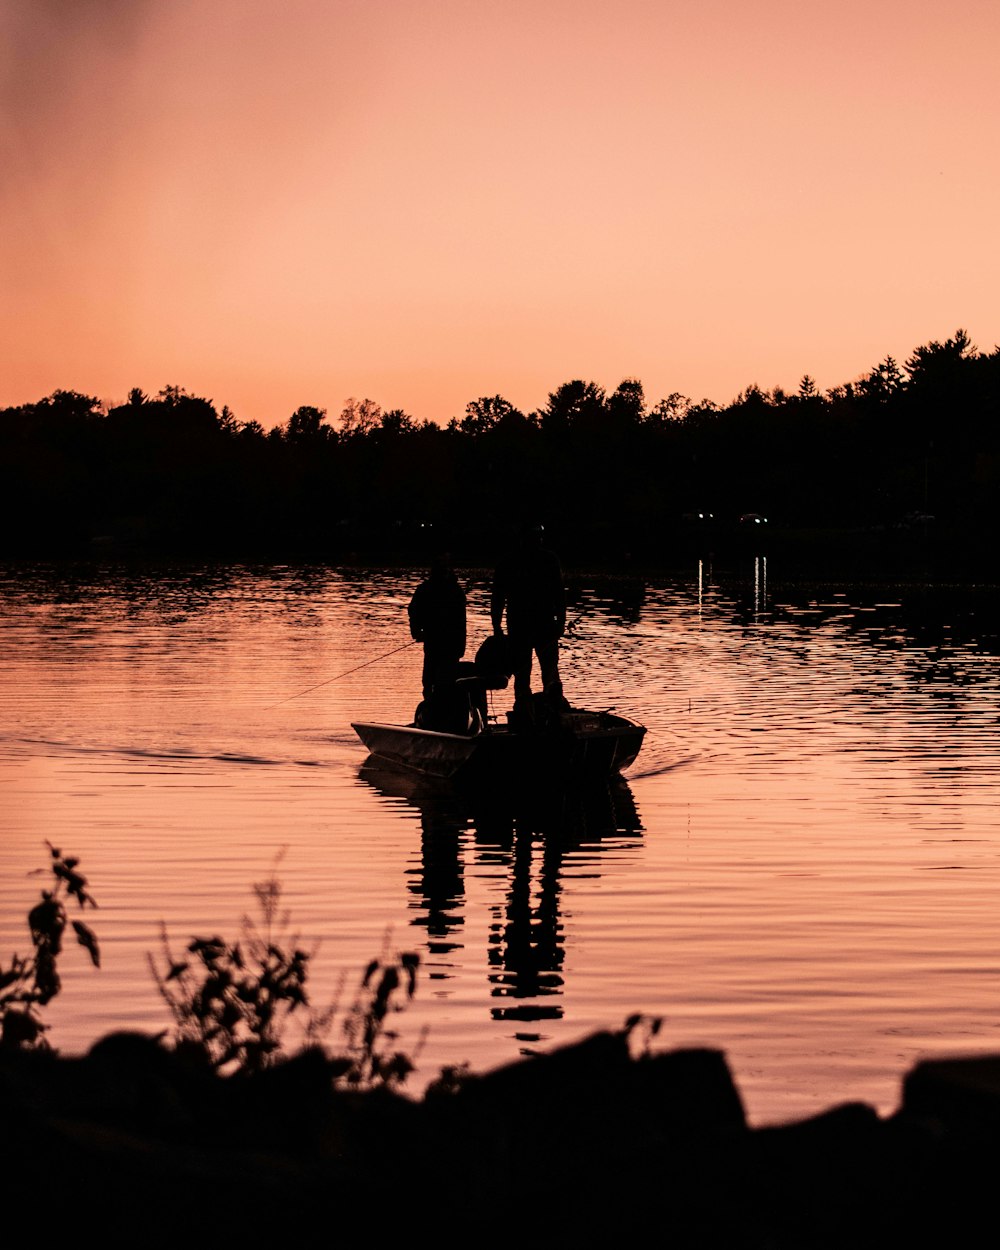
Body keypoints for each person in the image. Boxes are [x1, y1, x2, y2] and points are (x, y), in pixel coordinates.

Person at [490, 524, 568, 717]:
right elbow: (559, 596)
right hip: (539, 626)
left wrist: (497, 626)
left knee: (528, 673)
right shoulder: (548, 560)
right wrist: (560, 622)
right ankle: (548, 710)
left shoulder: (508, 562)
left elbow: (497, 598)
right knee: (541, 671)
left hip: (525, 626)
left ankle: (530, 710)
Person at [408, 555, 467, 701]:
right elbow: (413, 611)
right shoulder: (427, 590)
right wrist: (416, 632)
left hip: (450, 645)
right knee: (430, 680)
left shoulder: (455, 591)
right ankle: (431, 708)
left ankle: (441, 710)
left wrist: (417, 631)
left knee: (443, 680)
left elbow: (461, 622)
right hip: (435, 643)